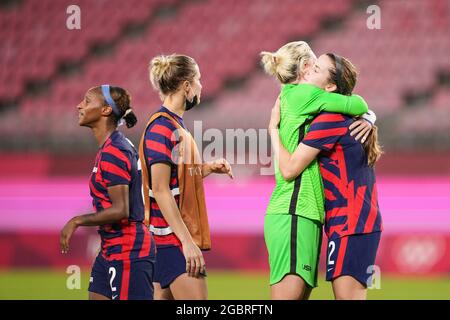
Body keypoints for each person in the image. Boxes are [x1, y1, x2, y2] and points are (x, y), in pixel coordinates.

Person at [261, 41, 375, 300]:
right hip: (294, 209)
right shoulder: (305, 95)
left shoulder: (296, 97)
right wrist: (367, 115)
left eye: (318, 66)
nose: (313, 67)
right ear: (303, 66)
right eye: (313, 63)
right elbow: (356, 103)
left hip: (306, 213)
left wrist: (370, 118)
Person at [141, 54, 233, 300]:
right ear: (186, 86)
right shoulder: (163, 128)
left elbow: (175, 180)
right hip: (171, 241)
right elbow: (160, 190)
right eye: (198, 79)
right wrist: (187, 242)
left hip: (167, 240)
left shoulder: (173, 125)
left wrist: (208, 168)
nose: (201, 86)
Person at [60, 85, 156, 300]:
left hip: (129, 250)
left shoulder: (114, 151)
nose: (79, 105)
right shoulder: (110, 147)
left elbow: (121, 210)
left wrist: (76, 221)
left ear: (105, 110)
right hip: (110, 248)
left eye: (86, 101)